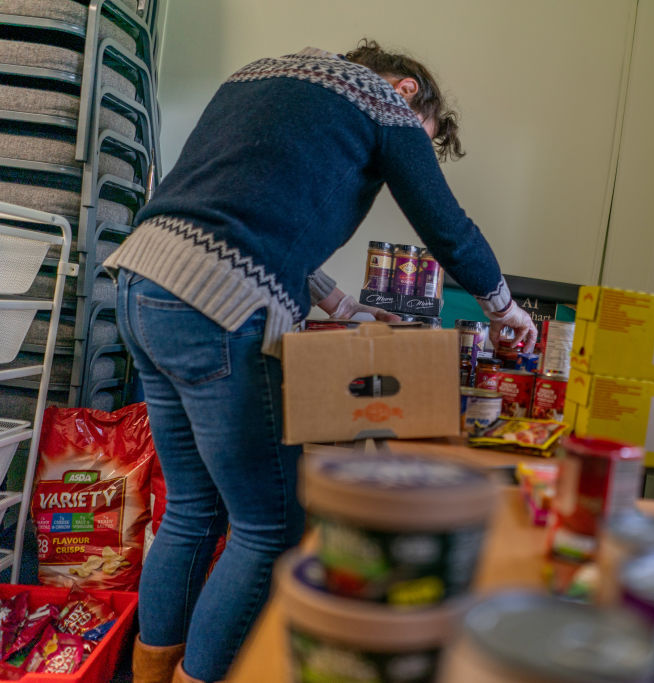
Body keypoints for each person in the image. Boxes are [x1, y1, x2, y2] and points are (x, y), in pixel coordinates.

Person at [107, 40, 537, 683]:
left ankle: (148, 673)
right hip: (215, 307)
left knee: (194, 508)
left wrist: (348, 307)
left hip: (140, 283)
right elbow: (446, 227)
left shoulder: (263, 75)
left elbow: (247, 214)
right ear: (408, 90)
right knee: (269, 524)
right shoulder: (383, 106)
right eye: (425, 138)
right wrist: (507, 311)